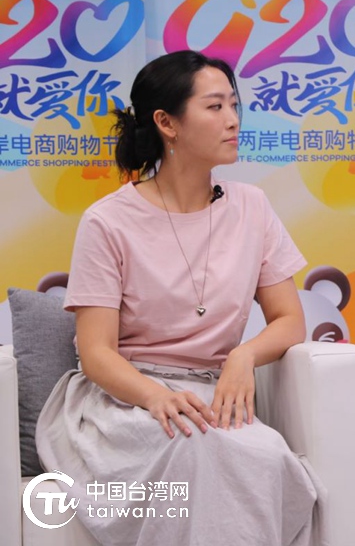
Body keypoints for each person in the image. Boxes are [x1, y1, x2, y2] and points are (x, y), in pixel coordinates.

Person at [36, 50, 325, 546]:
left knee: (266, 457)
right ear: (166, 123)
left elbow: (288, 319)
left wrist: (243, 356)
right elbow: (96, 352)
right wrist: (157, 397)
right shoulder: (108, 221)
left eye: (234, 104)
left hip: (212, 396)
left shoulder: (252, 207)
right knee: (193, 446)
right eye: (214, 107)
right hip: (126, 402)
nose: (233, 120)